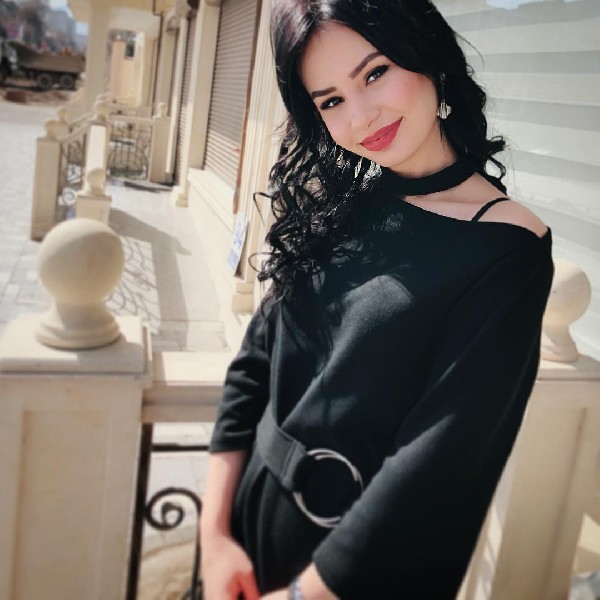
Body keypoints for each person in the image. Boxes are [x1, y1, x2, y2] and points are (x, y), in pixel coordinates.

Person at [199, 1, 554, 598]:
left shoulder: (506, 247)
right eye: (331, 100)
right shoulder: (338, 204)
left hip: (347, 575)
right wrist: (213, 536)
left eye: (375, 72)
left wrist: (302, 595)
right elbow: (255, 362)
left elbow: (438, 464)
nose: (361, 116)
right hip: (245, 529)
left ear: (428, 56)